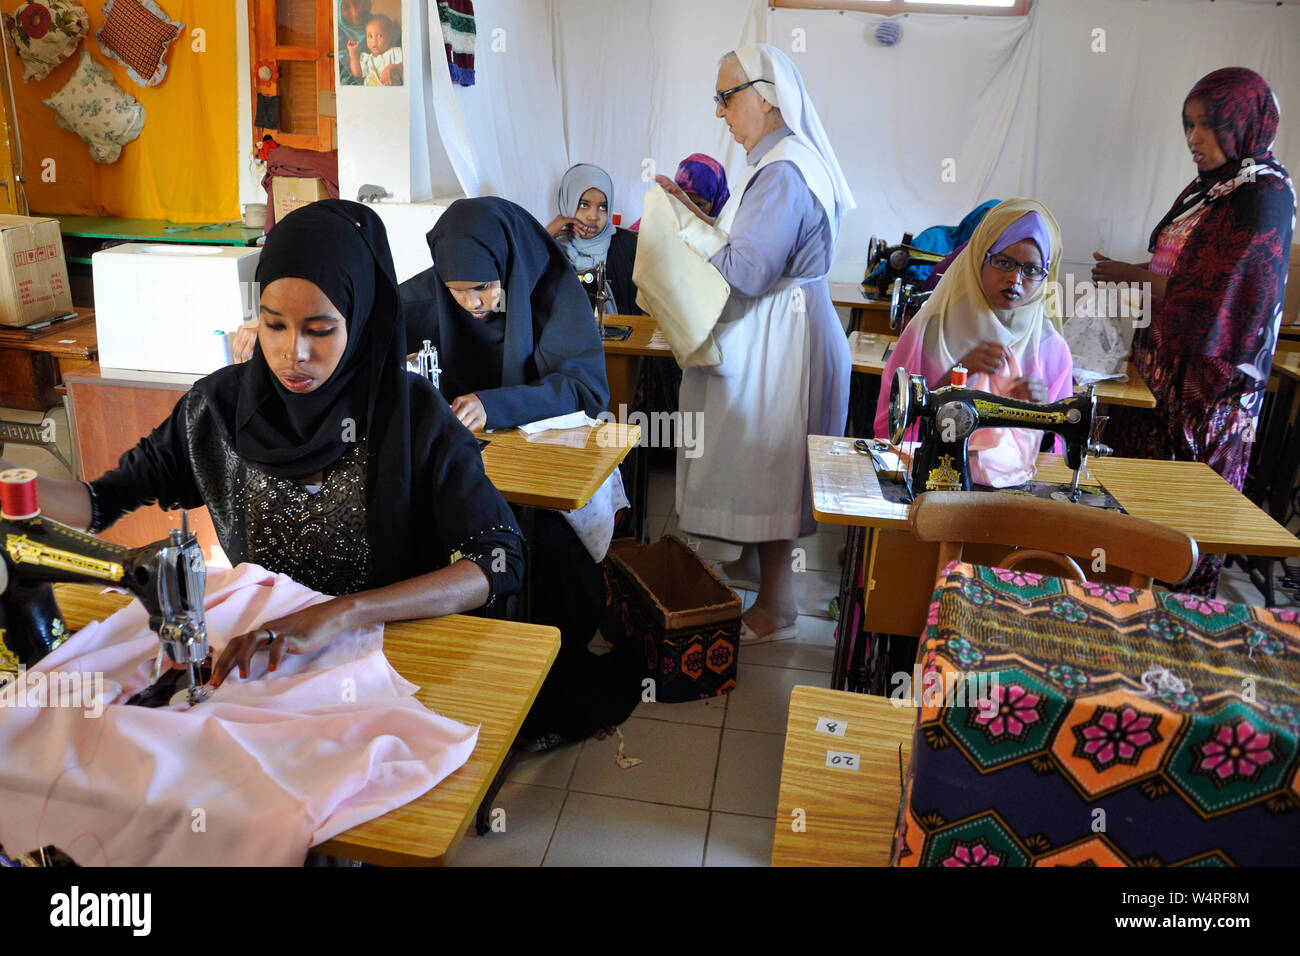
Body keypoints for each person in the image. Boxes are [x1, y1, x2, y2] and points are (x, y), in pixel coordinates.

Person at [0, 200, 525, 687]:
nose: (292, 353)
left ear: (361, 322)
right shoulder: (218, 411)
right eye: (274, 325)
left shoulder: (413, 418)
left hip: (395, 660)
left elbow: (497, 560)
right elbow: (97, 503)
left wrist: (347, 612)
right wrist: (10, 481)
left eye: (320, 330)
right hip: (268, 661)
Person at [400, 197, 641, 748]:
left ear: (507, 265)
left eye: (484, 289)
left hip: (552, 466)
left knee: (549, 560)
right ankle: (467, 679)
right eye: (459, 293)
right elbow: (366, 326)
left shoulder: (553, 290)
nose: (474, 304)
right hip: (474, 468)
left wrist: (495, 403)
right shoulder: (432, 289)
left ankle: (536, 691)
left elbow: (585, 389)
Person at [654, 44, 855, 644]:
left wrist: (680, 227)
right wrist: (690, 210)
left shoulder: (785, 171)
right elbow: (745, 243)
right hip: (781, 327)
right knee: (759, 454)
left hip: (785, 338)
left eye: (726, 97)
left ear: (765, 96)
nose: (719, 112)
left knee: (772, 460)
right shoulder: (778, 162)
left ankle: (778, 601)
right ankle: (754, 564)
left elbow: (745, 270)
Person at [1092, 67, 1295, 595]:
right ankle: (1115, 613)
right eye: (1187, 125)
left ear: (1242, 123)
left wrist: (1132, 278)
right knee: (1135, 521)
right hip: (1158, 381)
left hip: (1204, 398)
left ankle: (1167, 640)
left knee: (1178, 532)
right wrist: (1135, 277)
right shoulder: (1214, 189)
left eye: (1207, 125)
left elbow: (1217, 296)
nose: (1193, 139)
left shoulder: (1262, 195)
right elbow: (1180, 267)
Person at [874, 199, 1074, 487]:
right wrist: (955, 376)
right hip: (923, 483)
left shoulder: (1052, 351)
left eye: (1031, 270)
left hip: (1012, 494)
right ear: (980, 256)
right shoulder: (931, 332)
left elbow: (1057, 454)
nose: (1015, 279)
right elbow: (890, 422)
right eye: (1004, 262)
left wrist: (1042, 415)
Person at [547, 163, 641, 316]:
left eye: (603, 207)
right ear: (567, 203)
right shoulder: (552, 247)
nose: (594, 216)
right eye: (583, 205)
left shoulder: (628, 246)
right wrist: (553, 227)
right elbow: (521, 264)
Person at [629, 153, 730, 231]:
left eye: (699, 205)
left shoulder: (731, 228)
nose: (690, 211)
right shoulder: (664, 215)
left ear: (717, 200)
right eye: (684, 201)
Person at [347, 13, 403, 87]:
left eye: (380, 36)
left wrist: (393, 67)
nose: (374, 41)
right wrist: (353, 55)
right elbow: (357, 74)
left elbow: (406, 66)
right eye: (370, 36)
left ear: (391, 37)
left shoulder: (395, 52)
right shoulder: (367, 58)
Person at [336, 0, 371, 87]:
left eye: (356, 3)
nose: (355, 12)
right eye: (346, 7)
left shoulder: (377, 23)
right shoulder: (335, 35)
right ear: (338, 11)